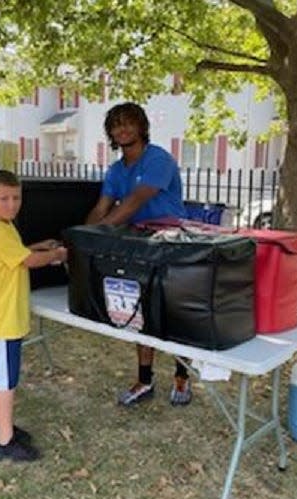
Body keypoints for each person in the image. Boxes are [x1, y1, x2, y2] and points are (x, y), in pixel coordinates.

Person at [86, 102, 192, 407]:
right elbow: (102, 207)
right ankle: (145, 381)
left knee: (174, 314)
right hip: (137, 245)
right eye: (116, 125)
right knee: (139, 312)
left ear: (142, 126)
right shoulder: (116, 170)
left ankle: (182, 378)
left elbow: (132, 204)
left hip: (171, 243)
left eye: (128, 123)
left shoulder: (159, 159)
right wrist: (82, 235)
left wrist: (98, 233)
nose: (123, 129)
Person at [0, 169, 67, 462]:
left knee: (2, 376)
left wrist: (38, 246)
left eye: (16, 198)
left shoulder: (2, 224)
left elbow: (19, 252)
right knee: (5, 380)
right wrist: (58, 254)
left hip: (3, 316)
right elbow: (29, 261)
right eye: (4, 198)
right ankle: (4, 441)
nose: (11, 204)